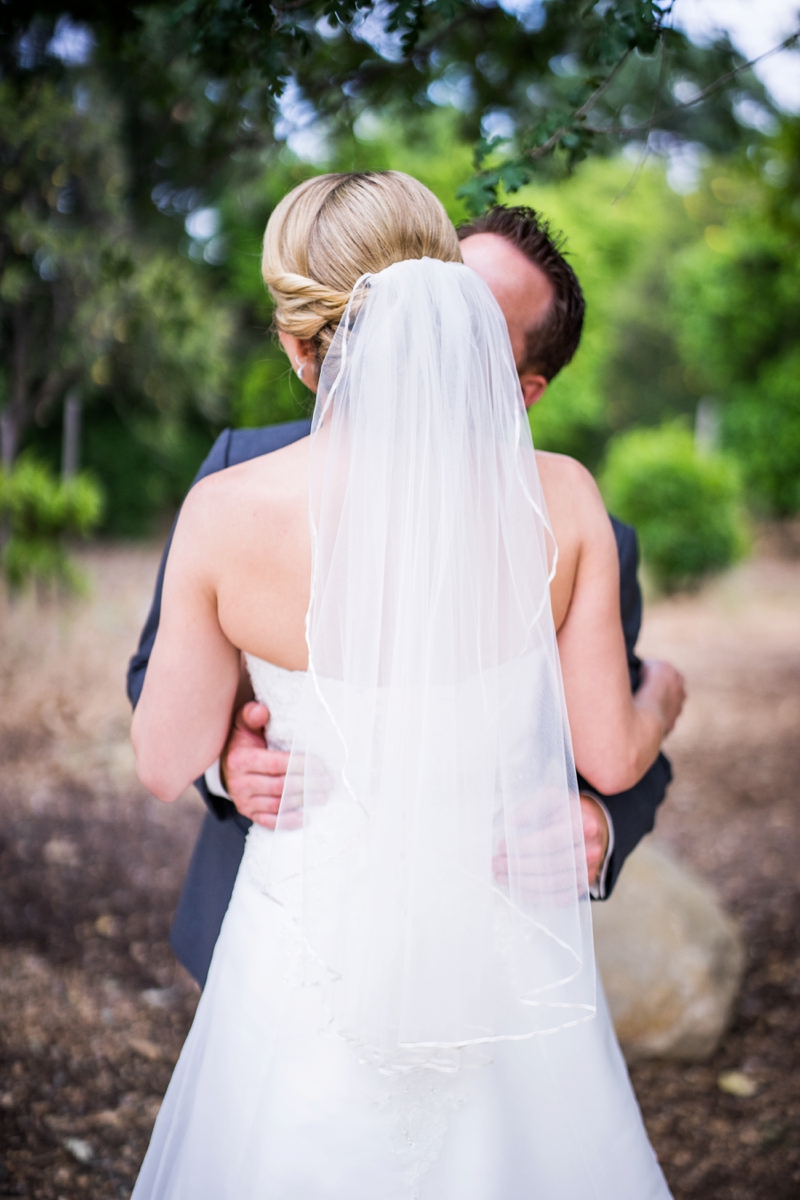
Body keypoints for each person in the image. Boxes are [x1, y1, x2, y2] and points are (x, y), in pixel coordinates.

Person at [130, 170, 683, 1198]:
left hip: (305, 950)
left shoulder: (226, 510)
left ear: (300, 347)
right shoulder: (559, 497)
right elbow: (608, 753)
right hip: (498, 949)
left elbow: (164, 759)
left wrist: (225, 738)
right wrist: (666, 694)